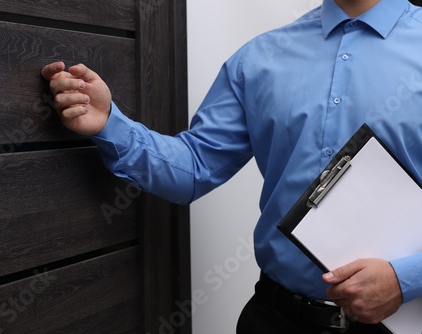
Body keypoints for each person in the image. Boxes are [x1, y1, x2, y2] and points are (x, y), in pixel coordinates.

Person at [41, 0, 422, 332]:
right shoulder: (259, 59)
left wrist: (406, 279)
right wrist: (110, 123)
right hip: (275, 320)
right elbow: (193, 166)